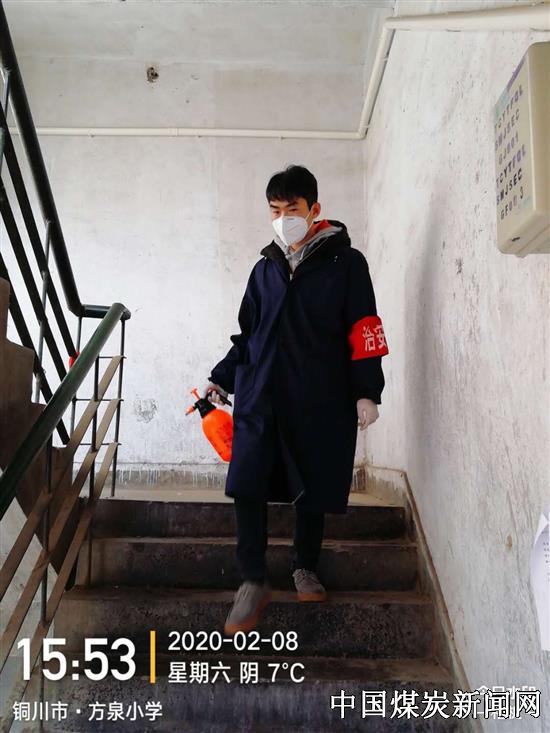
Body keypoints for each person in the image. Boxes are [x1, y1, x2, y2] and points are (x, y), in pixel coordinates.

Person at [203, 164, 389, 636]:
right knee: (246, 481)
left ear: (314, 209)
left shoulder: (346, 263)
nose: (283, 218)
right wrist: (220, 379)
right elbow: (247, 335)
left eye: (292, 209)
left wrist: (367, 391)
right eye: (275, 210)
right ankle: (252, 580)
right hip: (260, 393)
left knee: (312, 481)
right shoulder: (264, 269)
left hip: (318, 395)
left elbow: (364, 327)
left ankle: (305, 565)